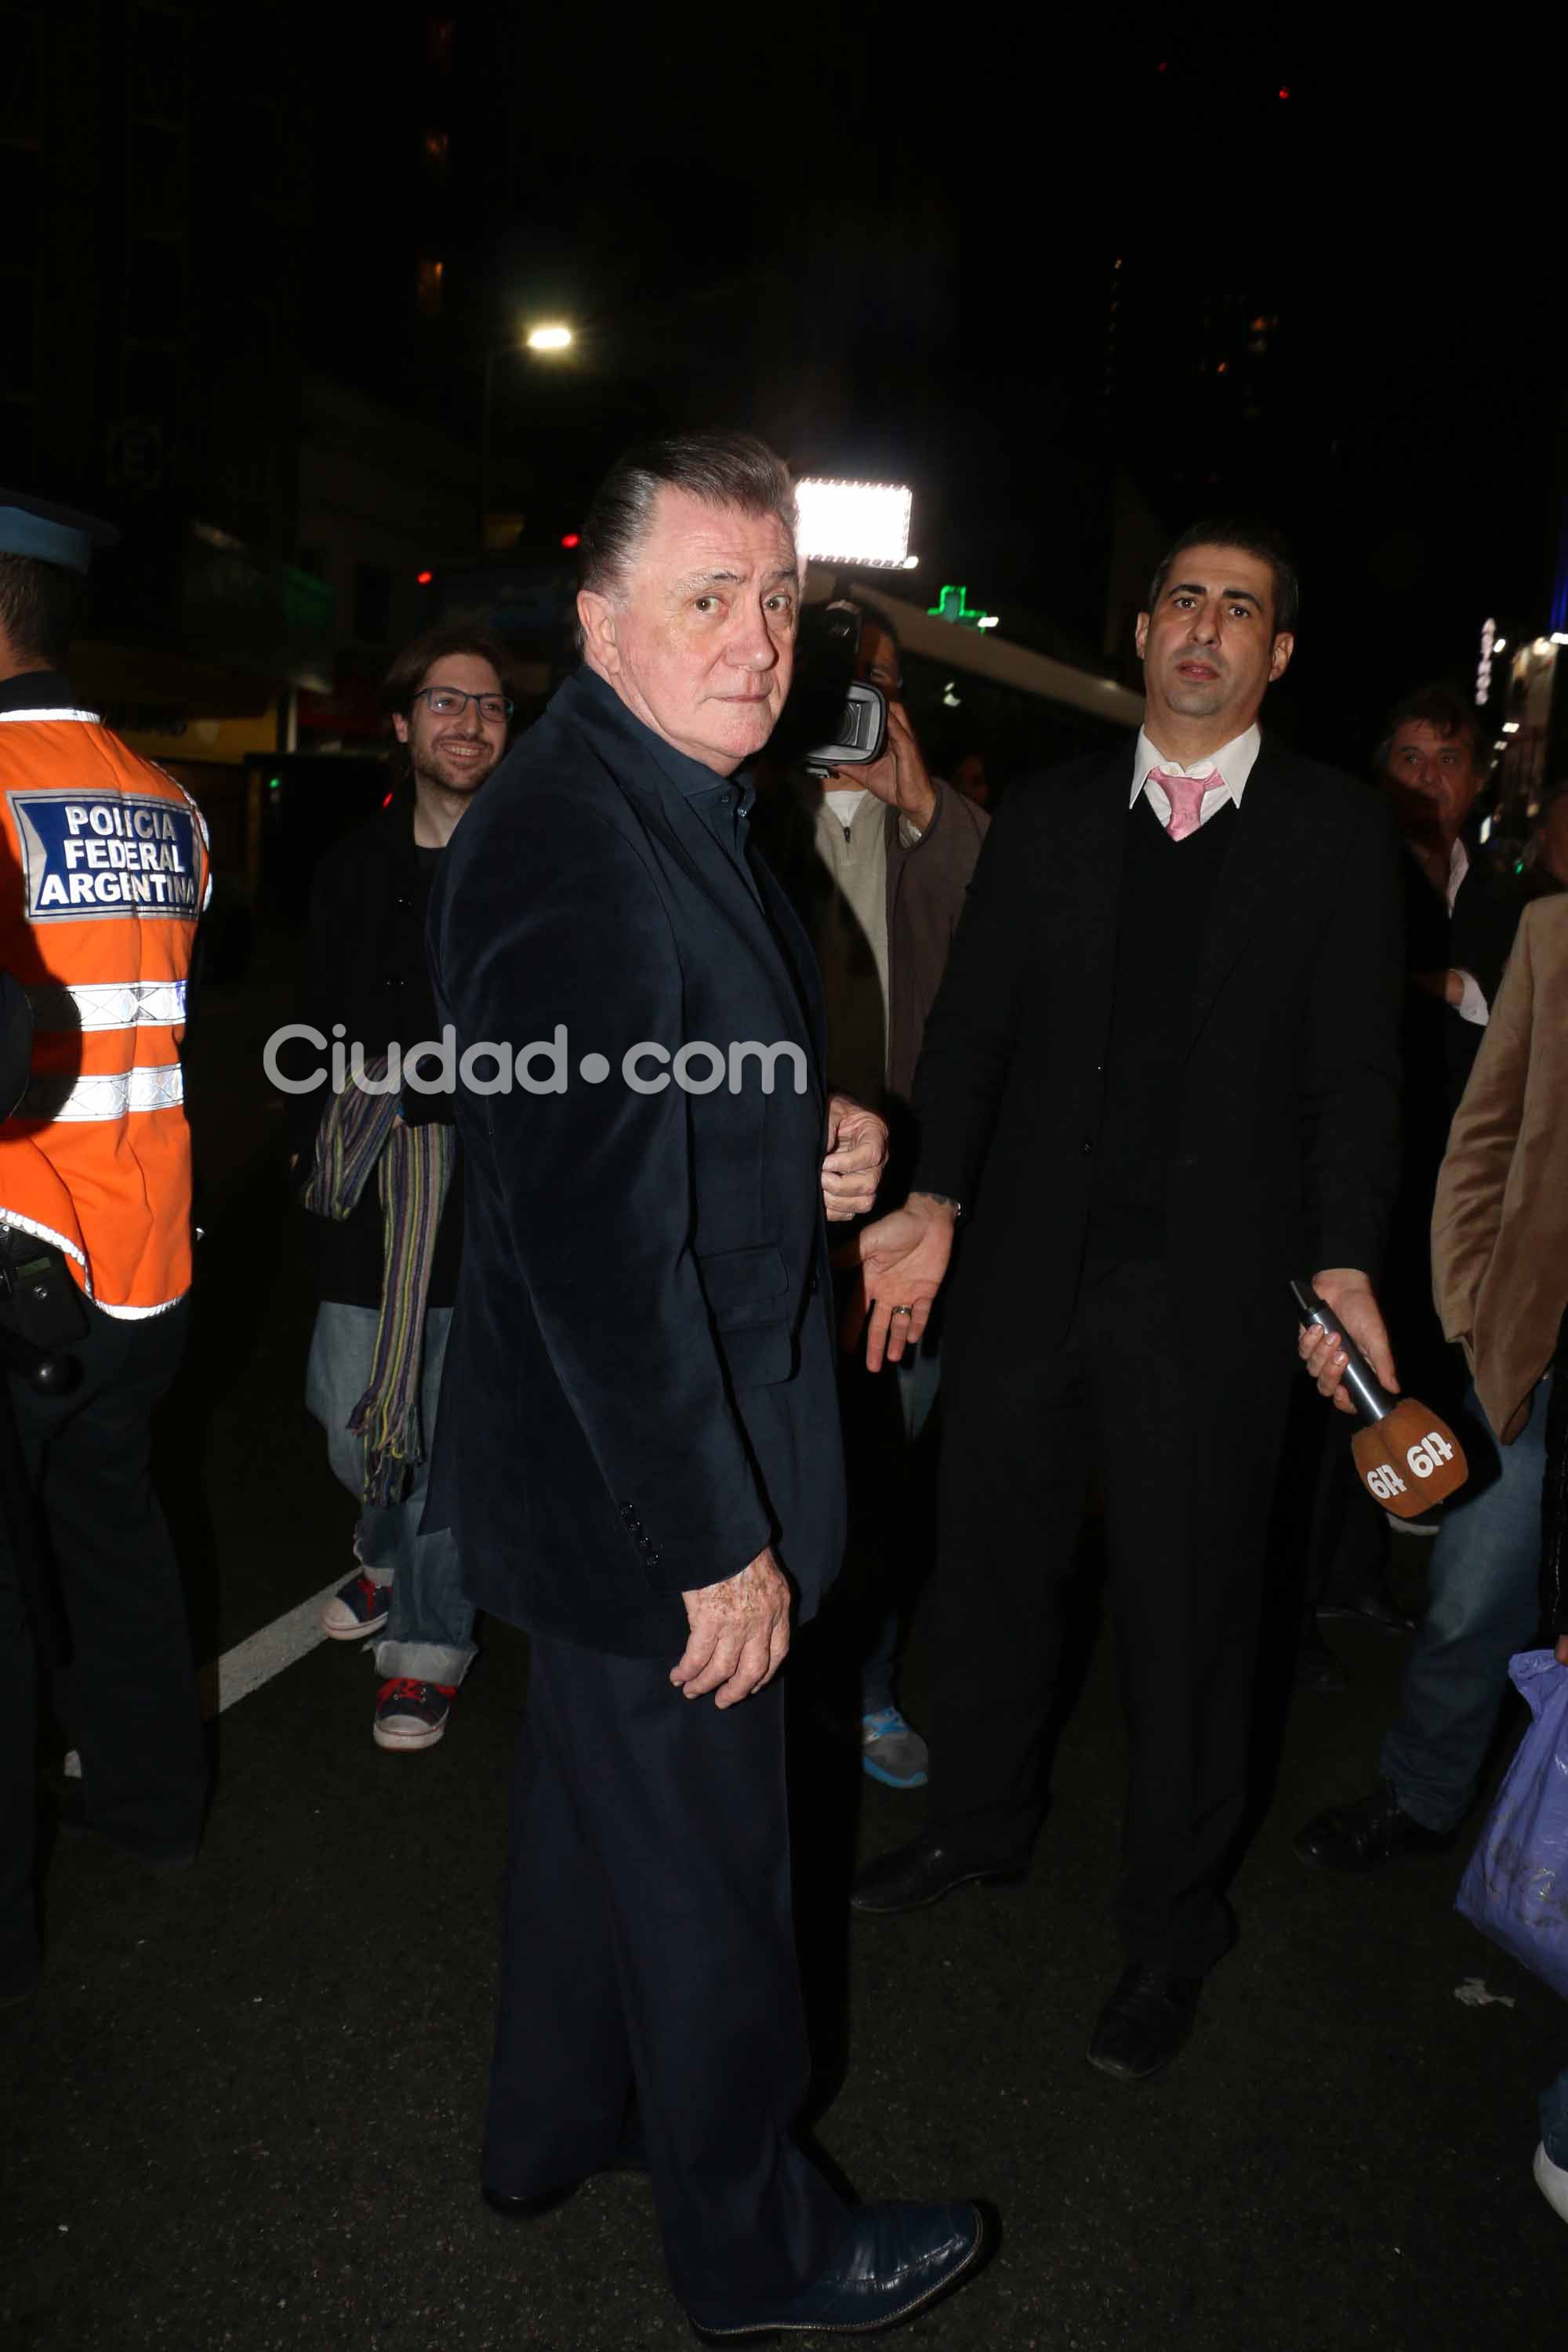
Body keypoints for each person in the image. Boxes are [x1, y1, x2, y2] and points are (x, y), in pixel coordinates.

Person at [424, 432, 986, 2339]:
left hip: (602, 1473)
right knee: (716, 1883)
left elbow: (639, 1116)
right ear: (598, 622)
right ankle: (765, 2258)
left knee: (597, 1832)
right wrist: (715, 1544)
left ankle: (547, 2122)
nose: (756, 641)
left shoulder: (656, 791)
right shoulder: (580, 834)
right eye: (703, 599)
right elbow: (589, 1244)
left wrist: (792, 1134)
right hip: (647, 1485)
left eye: (772, 600)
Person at [849, 521, 1404, 2083]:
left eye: (1242, 606)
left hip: (1217, 1304)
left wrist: (1346, 1258)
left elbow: (1356, 1077)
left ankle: (1169, 1934)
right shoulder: (1042, 815)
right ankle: (978, 1826)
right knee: (994, 1576)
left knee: (1192, 1621)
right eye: (1182, 599)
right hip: (1026, 1272)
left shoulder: (1330, 834)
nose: (1207, 627)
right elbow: (970, 1033)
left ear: (1277, 654)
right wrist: (935, 1201)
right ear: (1143, 632)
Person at [0, 489, 212, 2005]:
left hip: (18, 1248)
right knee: (118, 1541)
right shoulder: (166, 798)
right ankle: (154, 1806)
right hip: (150, 1250)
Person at [753, 603, 988, 1788]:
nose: (852, 705)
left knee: (886, 1479)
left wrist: (924, 805)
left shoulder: (945, 836)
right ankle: (776, 1689)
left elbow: (1017, 952)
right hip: (773, 1210)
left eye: (877, 682)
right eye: (830, 678)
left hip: (908, 1226)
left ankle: (872, 1683)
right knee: (774, 1465)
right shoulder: (744, 810)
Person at [1294, 891, 1568, 1875]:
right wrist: (1468, 1305)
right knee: (1471, 1594)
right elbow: (1485, 1133)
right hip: (1532, 1351)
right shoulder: (1551, 933)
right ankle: (1420, 1795)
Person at [279, 628, 514, 1752]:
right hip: (367, 1182)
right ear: (402, 724)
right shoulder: (350, 869)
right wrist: (310, 1151)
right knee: (351, 1419)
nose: (469, 722)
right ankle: (380, 1552)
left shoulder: (538, 871)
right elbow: (311, 1031)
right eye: (446, 703)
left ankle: (428, 1641)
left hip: (484, 1196)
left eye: (490, 707)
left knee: (443, 1435)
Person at [1298, 684, 1527, 1666]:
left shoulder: (1512, 901)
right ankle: (1293, 1601)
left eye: (1447, 759)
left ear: (1476, 781)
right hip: (1348, 1178)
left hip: (1459, 1197)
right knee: (1320, 1395)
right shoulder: (1343, 867)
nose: (1426, 778)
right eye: (1407, 756)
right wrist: (1427, 987)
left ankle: (1354, 1578)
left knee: (1412, 1381)